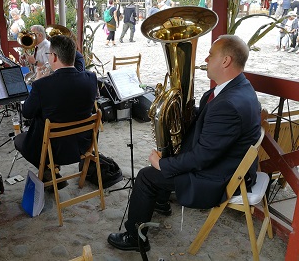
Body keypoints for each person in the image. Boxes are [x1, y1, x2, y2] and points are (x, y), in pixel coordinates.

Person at [107, 35, 261, 252]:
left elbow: (202, 158)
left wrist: (162, 165)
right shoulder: (236, 88)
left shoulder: (228, 104)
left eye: (211, 55)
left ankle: (134, 237)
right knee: (169, 152)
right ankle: (159, 201)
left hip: (219, 176)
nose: (206, 59)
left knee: (146, 176)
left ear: (225, 61)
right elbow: (210, 122)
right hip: (228, 162)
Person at [14, 35, 97, 187]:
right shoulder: (91, 78)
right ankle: (50, 172)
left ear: (54, 57)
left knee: (19, 140)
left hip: (52, 150)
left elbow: (27, 113)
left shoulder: (42, 86)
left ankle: (48, 170)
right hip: (83, 145)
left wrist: (38, 82)